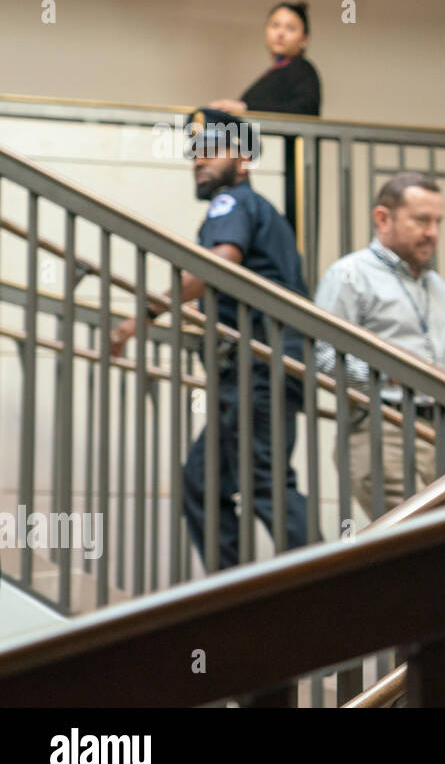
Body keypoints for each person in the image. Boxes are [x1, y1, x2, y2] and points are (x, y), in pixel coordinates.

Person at [109, 108, 309, 570]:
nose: (198, 161)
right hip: (257, 368)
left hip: (259, 366)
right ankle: (234, 597)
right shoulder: (259, 211)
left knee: (264, 481)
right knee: (203, 483)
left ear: (243, 159)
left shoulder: (232, 203)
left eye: (210, 150)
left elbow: (219, 262)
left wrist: (141, 316)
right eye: (194, 152)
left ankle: (327, 598)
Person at [313, 172, 445, 518]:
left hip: (442, 430)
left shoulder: (439, 287)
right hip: (382, 427)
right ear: (382, 218)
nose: (433, 233)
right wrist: (385, 375)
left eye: (438, 222)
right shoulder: (349, 275)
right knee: (412, 540)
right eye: (421, 220)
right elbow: (319, 354)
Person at [208, 1, 322, 116]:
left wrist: (246, 107)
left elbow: (304, 111)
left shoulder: (303, 70)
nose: (280, 33)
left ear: (304, 39)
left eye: (290, 28)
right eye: (275, 25)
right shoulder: (273, 73)